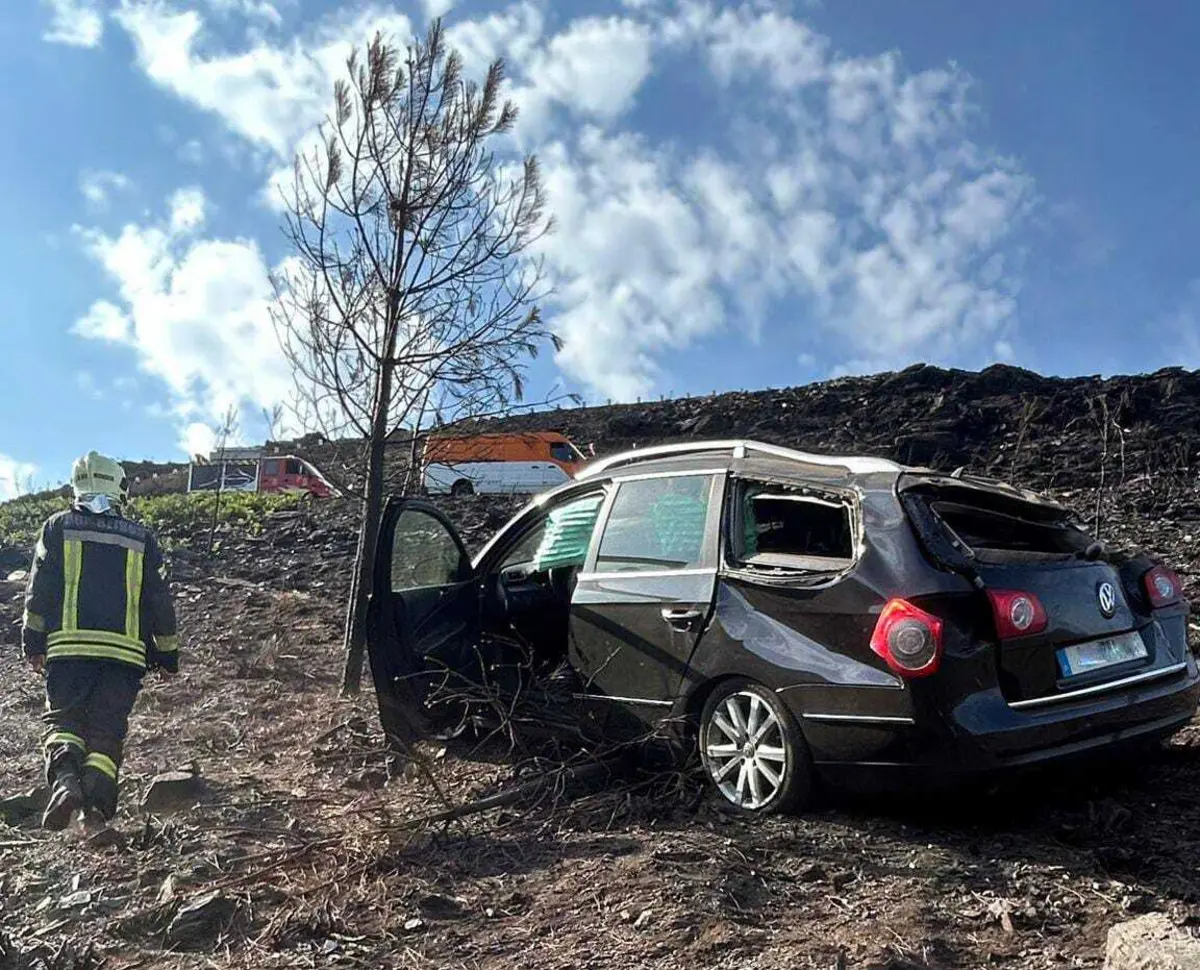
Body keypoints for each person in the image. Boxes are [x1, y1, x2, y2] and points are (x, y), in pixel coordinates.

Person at [21, 452, 180, 830]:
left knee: (64, 720)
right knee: (107, 729)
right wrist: (168, 654)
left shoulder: (57, 527)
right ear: (119, 487)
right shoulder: (143, 539)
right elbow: (159, 600)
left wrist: (33, 641)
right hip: (124, 656)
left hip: (68, 650)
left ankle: (65, 782)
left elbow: (38, 589)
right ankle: (96, 811)